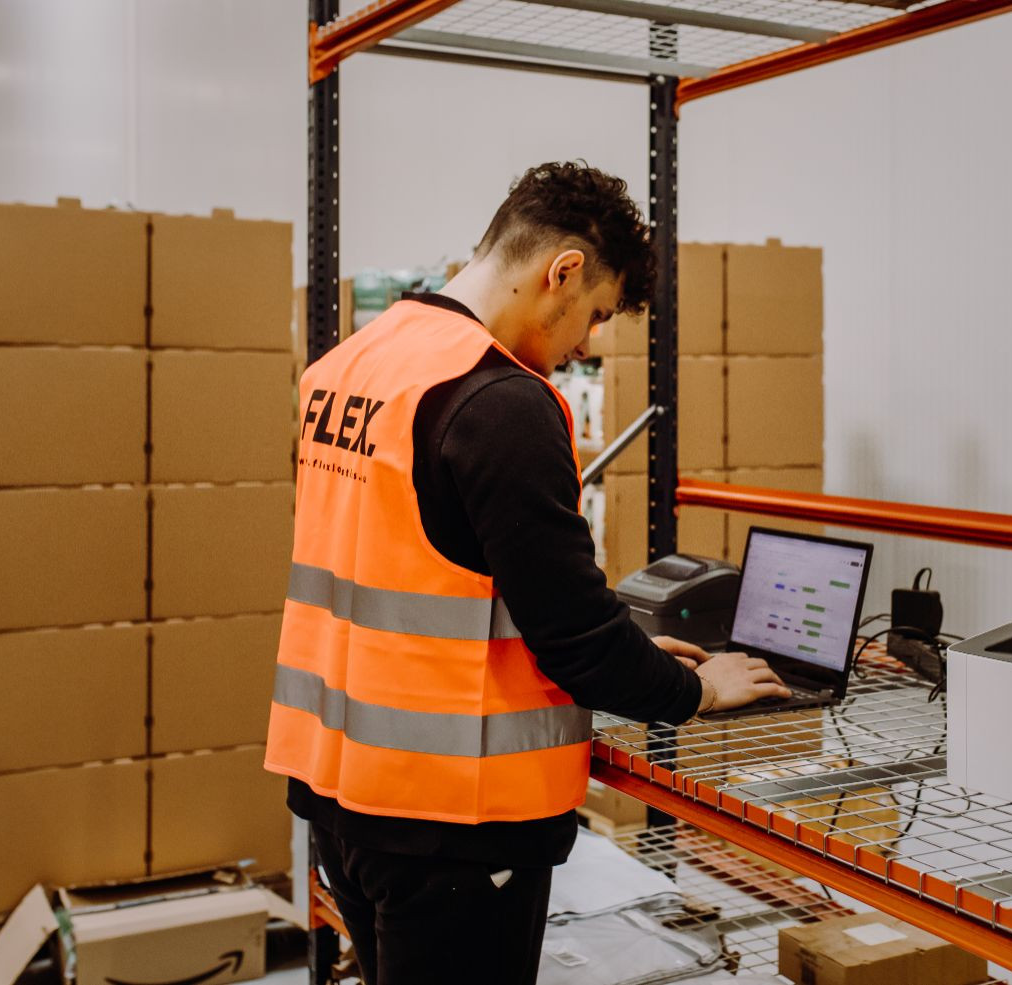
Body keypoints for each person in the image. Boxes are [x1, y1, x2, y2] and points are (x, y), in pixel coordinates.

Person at [264, 162, 789, 985]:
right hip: (453, 823)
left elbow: (426, 562)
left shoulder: (350, 366)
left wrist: (636, 647)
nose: (586, 345)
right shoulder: (498, 400)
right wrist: (700, 689)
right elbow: (573, 637)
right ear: (563, 272)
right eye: (596, 316)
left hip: (342, 797)